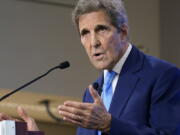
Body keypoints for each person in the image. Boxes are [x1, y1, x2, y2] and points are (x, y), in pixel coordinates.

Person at [1, 0, 180, 135]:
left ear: (123, 32)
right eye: (85, 33)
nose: (93, 42)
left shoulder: (162, 76)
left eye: (101, 29)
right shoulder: (92, 92)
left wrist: (109, 124)